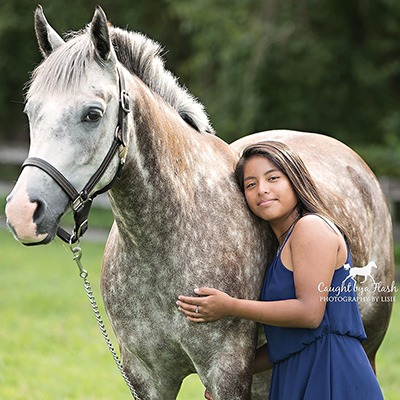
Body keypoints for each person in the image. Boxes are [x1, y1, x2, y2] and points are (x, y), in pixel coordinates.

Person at [176, 141, 384, 400]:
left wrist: (229, 306)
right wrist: (227, 376)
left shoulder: (311, 227)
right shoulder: (282, 247)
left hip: (333, 375)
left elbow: (309, 314)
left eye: (273, 178)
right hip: (296, 375)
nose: (262, 190)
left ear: (295, 180)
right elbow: (287, 343)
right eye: (250, 184)